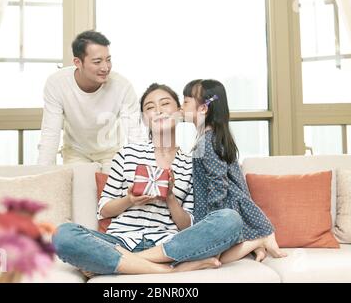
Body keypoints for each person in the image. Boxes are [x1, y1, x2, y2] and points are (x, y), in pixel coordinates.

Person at [52, 83, 243, 275]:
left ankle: (125, 263)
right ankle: (168, 270)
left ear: (179, 111)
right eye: (150, 107)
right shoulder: (127, 154)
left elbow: (189, 224)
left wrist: (170, 198)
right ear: (144, 119)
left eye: (165, 104)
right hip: (120, 241)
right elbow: (104, 210)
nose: (158, 111)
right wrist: (129, 200)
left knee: (230, 219)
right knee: (63, 234)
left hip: (168, 244)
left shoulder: (191, 163)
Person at [179, 79, 287, 263]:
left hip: (223, 206)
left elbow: (218, 183)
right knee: (214, 253)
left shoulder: (208, 141)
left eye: (186, 101)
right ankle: (257, 247)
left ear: (203, 109)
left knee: (212, 257)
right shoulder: (210, 138)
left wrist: (214, 220)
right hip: (228, 205)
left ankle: (258, 241)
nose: (181, 106)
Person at [37, 30, 140, 173]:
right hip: (76, 152)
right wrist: (43, 176)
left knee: (110, 192)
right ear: (77, 62)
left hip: (111, 152)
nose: (105, 67)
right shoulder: (57, 83)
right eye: (97, 62)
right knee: (80, 191)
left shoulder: (122, 86)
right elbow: (50, 134)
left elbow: (135, 135)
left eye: (108, 60)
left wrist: (140, 173)